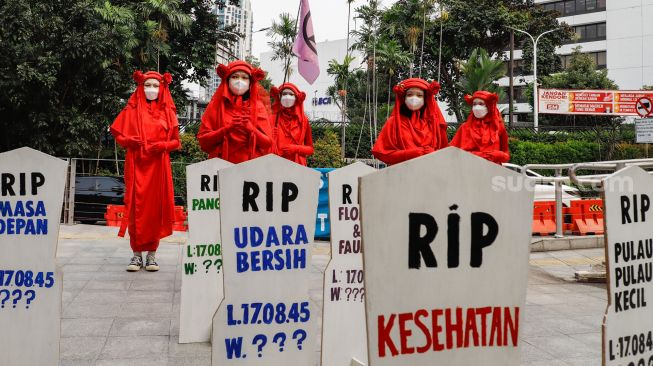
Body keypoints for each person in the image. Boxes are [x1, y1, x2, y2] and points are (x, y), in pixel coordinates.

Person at [111, 71, 180, 272]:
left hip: (158, 166)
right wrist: (129, 141)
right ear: (141, 87)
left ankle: (151, 255)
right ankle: (136, 256)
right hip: (136, 165)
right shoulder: (131, 110)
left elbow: (177, 142)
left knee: (155, 210)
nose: (151, 89)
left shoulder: (168, 111)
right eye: (147, 85)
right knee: (134, 208)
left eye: (155, 85)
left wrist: (164, 146)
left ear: (162, 88)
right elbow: (118, 135)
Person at [197, 60, 273, 163]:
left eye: (244, 77)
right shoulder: (216, 105)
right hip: (221, 165)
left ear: (250, 82)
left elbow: (267, 143)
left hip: (251, 168)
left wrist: (250, 128)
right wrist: (227, 129)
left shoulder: (258, 107)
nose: (239, 81)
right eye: (235, 77)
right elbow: (203, 141)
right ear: (227, 80)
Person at [371, 78, 448, 165]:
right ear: (404, 98)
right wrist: (414, 153)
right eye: (410, 94)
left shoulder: (433, 124)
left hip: (430, 173)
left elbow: (443, 154)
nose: (414, 98)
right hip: (401, 174)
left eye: (419, 95)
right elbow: (383, 153)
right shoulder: (394, 122)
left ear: (425, 99)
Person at [450, 91, 510, 164]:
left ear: (489, 106)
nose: (476, 107)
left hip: (493, 170)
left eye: (481, 104)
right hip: (469, 170)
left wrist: (499, 155)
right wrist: (485, 156)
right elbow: (452, 153)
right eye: (474, 104)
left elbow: (506, 155)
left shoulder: (498, 127)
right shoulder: (464, 127)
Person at [270, 83, 314, 165]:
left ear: (296, 97)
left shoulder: (303, 121)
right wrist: (271, 139)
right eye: (284, 94)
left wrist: (296, 148)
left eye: (291, 94)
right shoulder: (271, 119)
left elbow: (310, 149)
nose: (287, 96)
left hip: (297, 166)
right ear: (279, 97)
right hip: (275, 165)